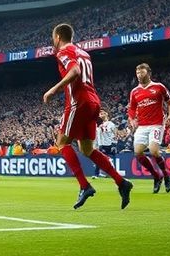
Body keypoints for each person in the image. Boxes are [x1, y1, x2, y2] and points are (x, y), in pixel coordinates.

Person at [43, 23, 132, 209]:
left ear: (58, 37)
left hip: (79, 102)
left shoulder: (63, 51)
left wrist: (53, 89)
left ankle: (85, 186)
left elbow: (75, 71)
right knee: (86, 149)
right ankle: (121, 182)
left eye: (53, 37)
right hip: (93, 101)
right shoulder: (84, 53)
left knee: (62, 143)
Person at [128, 63, 170, 194]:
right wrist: (132, 119)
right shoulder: (135, 91)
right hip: (142, 126)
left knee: (154, 151)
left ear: (149, 73)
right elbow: (131, 108)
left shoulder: (159, 87)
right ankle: (156, 176)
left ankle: (166, 176)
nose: (139, 75)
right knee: (138, 153)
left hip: (156, 124)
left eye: (142, 73)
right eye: (137, 73)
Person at [93, 110, 117, 178]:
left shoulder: (111, 124)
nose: (102, 114)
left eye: (104, 113)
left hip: (109, 144)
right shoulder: (97, 124)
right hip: (101, 145)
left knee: (109, 160)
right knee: (99, 160)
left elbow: (115, 135)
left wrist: (114, 145)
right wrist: (96, 145)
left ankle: (113, 173)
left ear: (107, 114)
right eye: (100, 113)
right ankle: (96, 174)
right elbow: (96, 135)